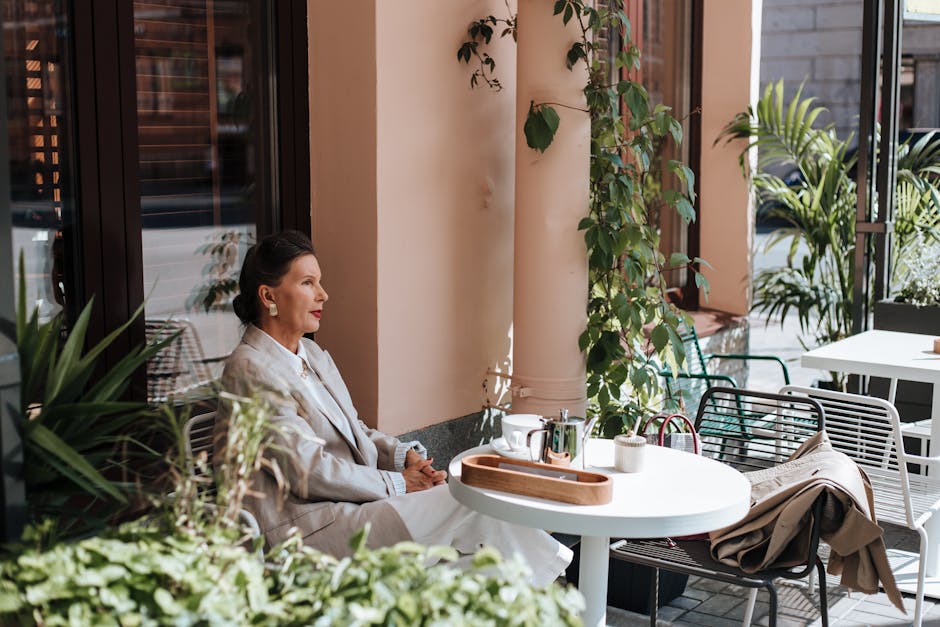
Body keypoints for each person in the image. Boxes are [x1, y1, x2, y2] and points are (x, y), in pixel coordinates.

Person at [217, 230, 571, 586]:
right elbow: (307, 471)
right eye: (308, 283)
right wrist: (398, 483)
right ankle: (559, 593)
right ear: (268, 295)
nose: (323, 294)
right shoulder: (250, 369)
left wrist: (403, 458)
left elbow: (355, 429)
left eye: (319, 282)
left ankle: (548, 597)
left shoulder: (312, 355)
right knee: (470, 505)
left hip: (354, 508)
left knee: (476, 555)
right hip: (303, 532)